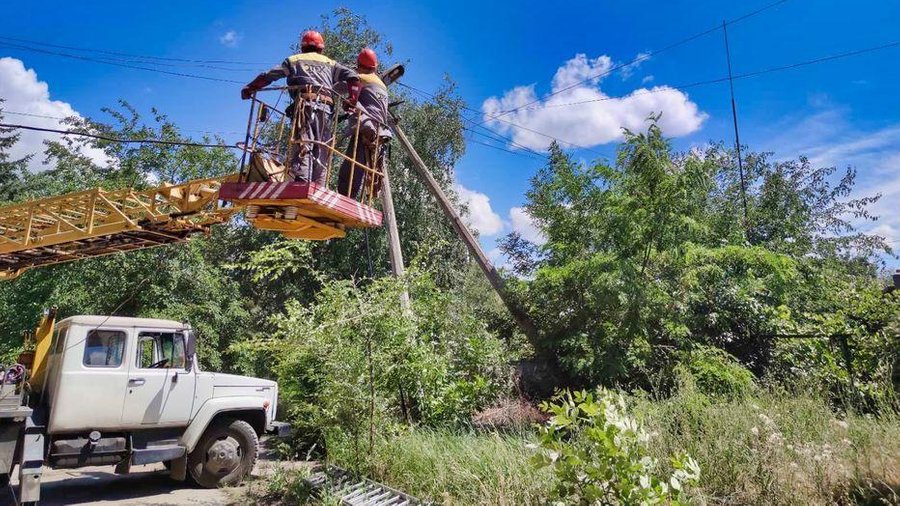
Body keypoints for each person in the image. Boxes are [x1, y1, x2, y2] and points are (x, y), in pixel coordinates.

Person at [241, 30, 360, 185]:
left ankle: (301, 183)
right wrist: (352, 99)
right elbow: (353, 77)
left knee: (304, 144)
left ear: (302, 47)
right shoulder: (330, 63)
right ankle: (318, 185)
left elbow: (268, 76)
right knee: (322, 147)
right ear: (321, 48)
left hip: (305, 107)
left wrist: (250, 88)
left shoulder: (294, 60)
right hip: (326, 110)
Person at [337, 48, 392, 200]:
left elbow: (337, 88)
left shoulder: (361, 78)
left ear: (359, 65)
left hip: (366, 129)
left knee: (349, 170)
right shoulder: (382, 85)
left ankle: (345, 199)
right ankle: (350, 198)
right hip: (378, 133)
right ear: (375, 66)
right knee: (358, 169)